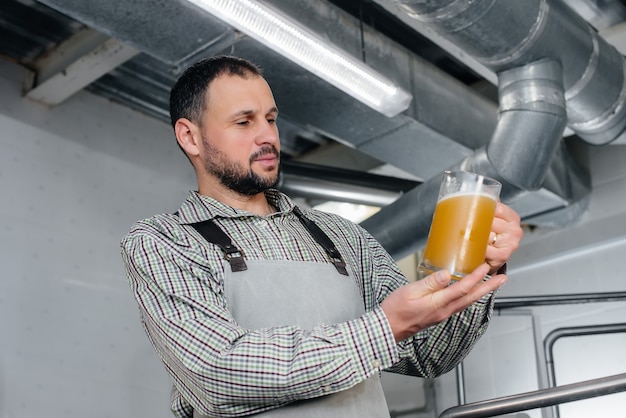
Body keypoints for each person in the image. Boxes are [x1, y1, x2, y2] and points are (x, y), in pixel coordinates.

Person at [121, 55, 523, 418]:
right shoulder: (163, 242)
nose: (268, 137)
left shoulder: (342, 236)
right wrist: (384, 327)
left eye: (271, 119)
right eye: (244, 122)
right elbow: (219, 375)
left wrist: (477, 267)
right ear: (190, 136)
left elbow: (429, 354)